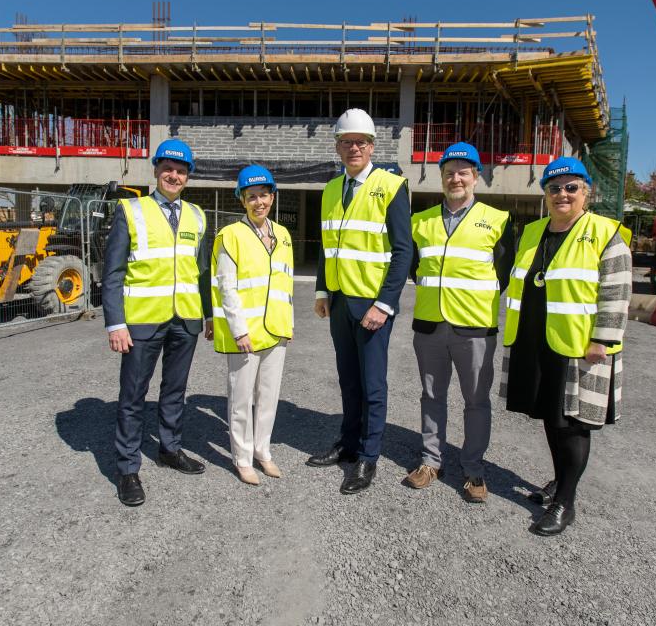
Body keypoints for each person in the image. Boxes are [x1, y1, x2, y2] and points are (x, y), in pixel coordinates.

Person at [501, 156, 632, 536]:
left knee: (574, 425)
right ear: (544, 194)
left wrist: (602, 341)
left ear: (586, 194)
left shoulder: (606, 234)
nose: (562, 194)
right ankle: (560, 482)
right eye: (554, 188)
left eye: (571, 187)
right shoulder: (532, 231)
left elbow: (617, 292)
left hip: (579, 347)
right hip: (536, 341)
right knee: (551, 418)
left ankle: (566, 502)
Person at [103, 139, 212, 507]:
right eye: (168, 168)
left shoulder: (198, 216)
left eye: (181, 171)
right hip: (142, 321)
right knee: (133, 396)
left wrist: (207, 314)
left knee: (174, 391)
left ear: (188, 176)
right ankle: (128, 468)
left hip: (185, 320)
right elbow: (113, 272)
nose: (174, 175)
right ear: (156, 170)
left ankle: (170, 448)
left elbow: (201, 273)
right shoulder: (130, 211)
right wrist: (115, 324)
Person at [308, 108, 411, 495]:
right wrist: (321, 291)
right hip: (339, 304)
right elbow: (326, 244)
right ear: (338, 147)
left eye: (361, 142)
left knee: (372, 385)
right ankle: (348, 445)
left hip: (371, 306)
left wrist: (383, 304)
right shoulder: (332, 188)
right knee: (349, 382)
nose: (354, 148)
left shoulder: (392, 185)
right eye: (347, 142)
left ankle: (369, 456)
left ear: (372, 146)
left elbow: (403, 252)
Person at [404, 143, 514, 502]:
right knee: (432, 395)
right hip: (430, 326)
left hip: (475, 329)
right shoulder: (420, 221)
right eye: (449, 172)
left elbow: (506, 272)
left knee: (476, 401)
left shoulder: (498, 220)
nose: (456, 178)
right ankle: (430, 461)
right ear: (442, 177)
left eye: (463, 172)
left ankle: (473, 468)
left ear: (475, 176)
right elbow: (413, 268)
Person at [209, 165, 294, 486]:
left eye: (264, 195)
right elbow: (225, 286)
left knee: (269, 397)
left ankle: (263, 451)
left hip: (276, 329)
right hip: (245, 333)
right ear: (242, 201)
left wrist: (289, 321)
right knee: (241, 398)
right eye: (251, 197)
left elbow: (284, 282)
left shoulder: (283, 235)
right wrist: (238, 329)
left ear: (273, 196)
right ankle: (242, 458)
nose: (259, 202)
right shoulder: (230, 235)